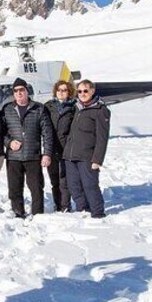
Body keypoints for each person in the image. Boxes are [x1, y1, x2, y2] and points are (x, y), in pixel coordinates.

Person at [2, 77, 54, 218]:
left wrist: (47, 154)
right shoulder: (7, 109)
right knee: (14, 188)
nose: (19, 93)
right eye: (16, 91)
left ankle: (38, 215)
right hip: (14, 157)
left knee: (36, 188)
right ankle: (18, 213)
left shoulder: (38, 108)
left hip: (33, 155)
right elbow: (1, 133)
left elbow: (47, 133)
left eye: (21, 90)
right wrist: (9, 143)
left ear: (27, 91)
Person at [62, 79, 110, 218]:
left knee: (90, 185)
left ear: (92, 91)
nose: (82, 94)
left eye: (85, 91)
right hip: (71, 155)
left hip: (87, 156)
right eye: (80, 91)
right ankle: (83, 209)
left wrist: (97, 159)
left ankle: (97, 212)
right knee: (74, 186)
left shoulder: (100, 110)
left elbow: (102, 138)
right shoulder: (77, 107)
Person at [44, 80, 76, 212]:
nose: (61, 93)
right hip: (51, 148)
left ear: (69, 92)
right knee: (54, 180)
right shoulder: (48, 106)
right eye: (59, 90)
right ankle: (58, 205)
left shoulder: (73, 108)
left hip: (66, 148)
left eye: (64, 90)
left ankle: (65, 206)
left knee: (65, 180)